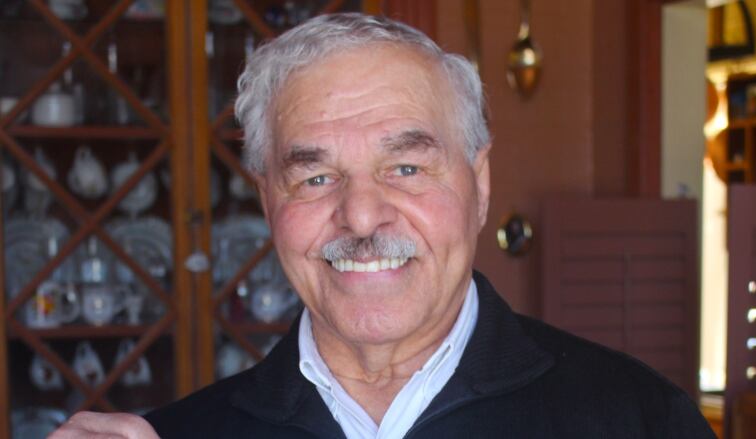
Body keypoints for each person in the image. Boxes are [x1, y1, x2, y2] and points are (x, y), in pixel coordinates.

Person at [51, 13, 716, 439]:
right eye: (315, 177)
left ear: (478, 185)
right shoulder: (178, 437)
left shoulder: (641, 420)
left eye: (405, 167)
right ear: (266, 200)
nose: (362, 215)